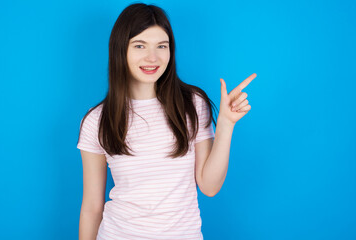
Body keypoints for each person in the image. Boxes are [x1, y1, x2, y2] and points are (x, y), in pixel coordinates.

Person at [77, 3, 256, 240]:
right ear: (121, 50)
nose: (153, 57)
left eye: (162, 46)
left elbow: (209, 187)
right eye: (140, 45)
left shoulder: (192, 104)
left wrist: (225, 124)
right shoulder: (97, 120)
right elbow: (91, 208)